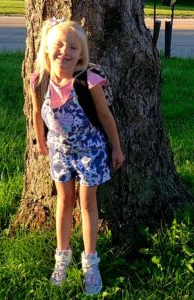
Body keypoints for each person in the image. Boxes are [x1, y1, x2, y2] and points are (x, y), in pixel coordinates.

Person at [30, 17, 124, 295]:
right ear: (47, 49)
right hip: (59, 151)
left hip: (90, 152)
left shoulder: (88, 81)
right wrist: (40, 141)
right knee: (64, 201)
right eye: (58, 45)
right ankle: (62, 256)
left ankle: (90, 262)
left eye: (73, 47)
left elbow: (106, 117)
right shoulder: (39, 80)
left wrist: (116, 147)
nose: (65, 52)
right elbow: (37, 113)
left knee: (86, 203)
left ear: (81, 54)